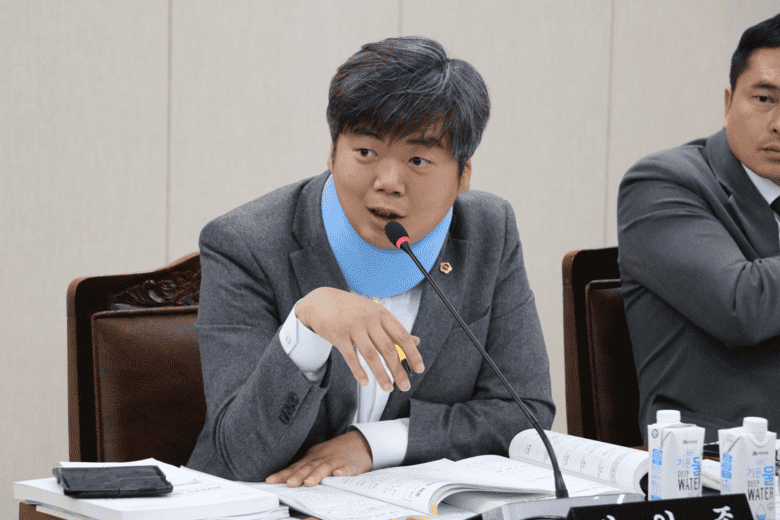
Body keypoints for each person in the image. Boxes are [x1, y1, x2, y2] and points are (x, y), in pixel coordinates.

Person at [186, 36, 555, 487]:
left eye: (418, 160)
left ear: (464, 174)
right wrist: (306, 327)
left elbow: (525, 413)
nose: (388, 182)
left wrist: (375, 444)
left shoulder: (487, 233)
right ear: (332, 151)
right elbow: (240, 454)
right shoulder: (246, 244)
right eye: (366, 152)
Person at [618, 14, 780, 443]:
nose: (778, 123)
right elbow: (741, 305)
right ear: (728, 104)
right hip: (713, 459)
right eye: (764, 98)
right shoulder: (662, 182)